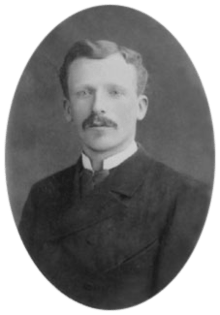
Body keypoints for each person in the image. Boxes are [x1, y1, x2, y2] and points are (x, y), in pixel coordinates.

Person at [18, 39, 210, 311]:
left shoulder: (188, 198)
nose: (98, 108)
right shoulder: (42, 196)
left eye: (115, 93)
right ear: (67, 109)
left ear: (141, 107)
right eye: (84, 93)